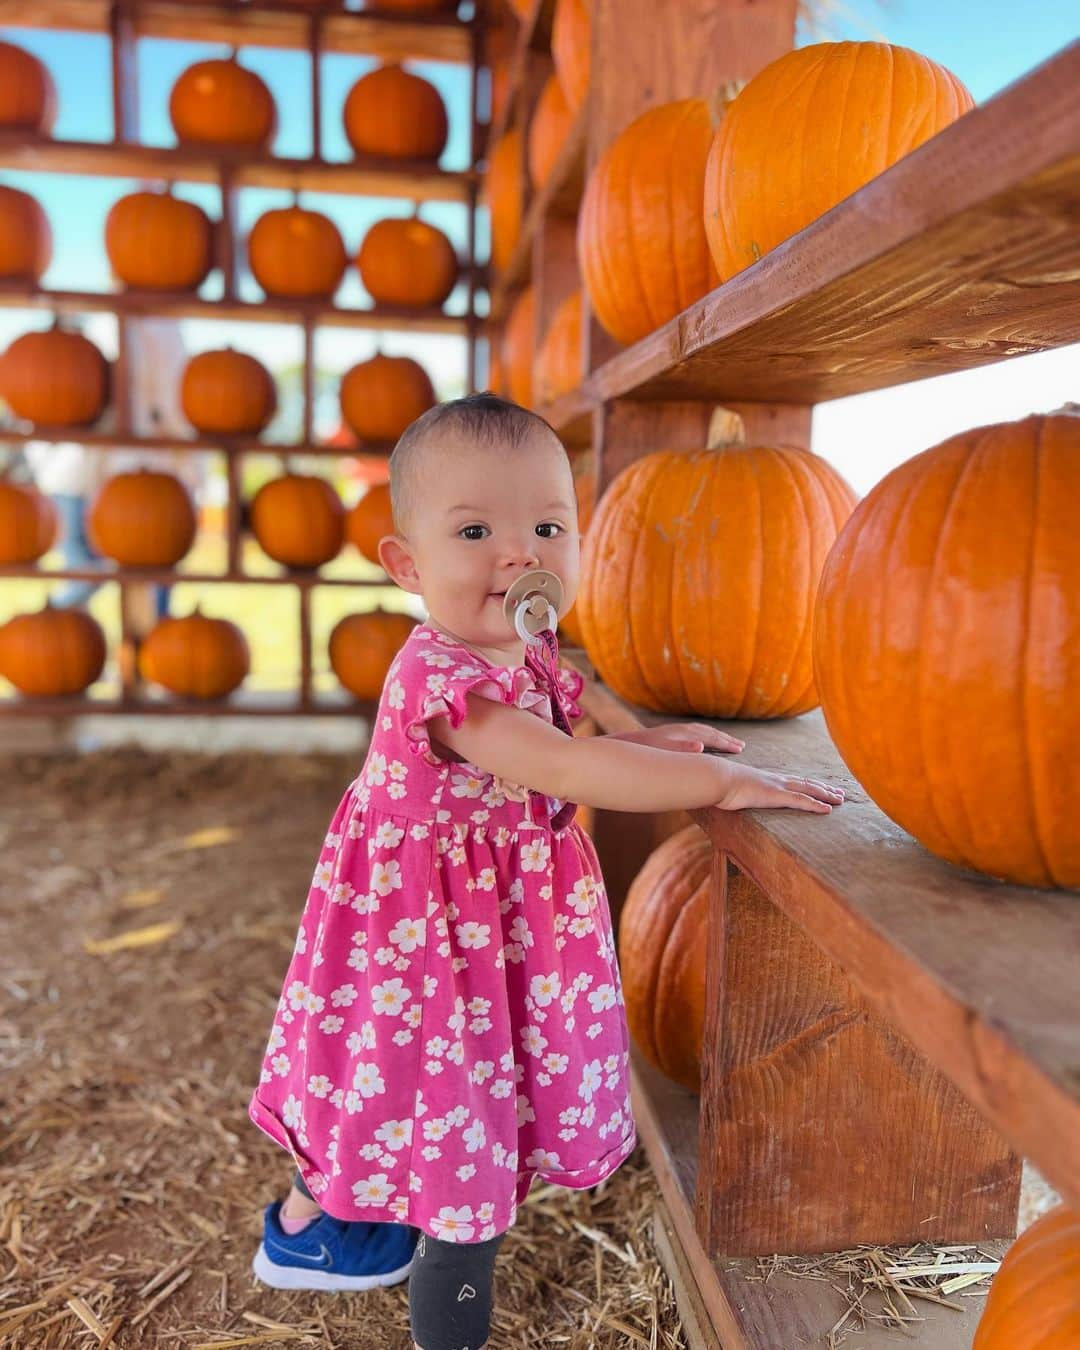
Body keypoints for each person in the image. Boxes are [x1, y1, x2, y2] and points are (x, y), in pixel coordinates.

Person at [246, 393, 844, 1350]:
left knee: (419, 1098)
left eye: (547, 526)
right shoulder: (441, 679)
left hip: (482, 931)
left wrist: (656, 744)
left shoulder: (518, 654)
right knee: (452, 1144)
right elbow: (561, 766)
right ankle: (408, 1287)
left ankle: (324, 1217)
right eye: (476, 529)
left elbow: (550, 748)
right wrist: (719, 781)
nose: (518, 552)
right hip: (433, 945)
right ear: (407, 564)